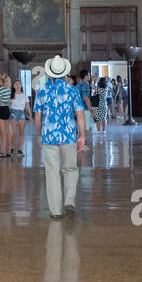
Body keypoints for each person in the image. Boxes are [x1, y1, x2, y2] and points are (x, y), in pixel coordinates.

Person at [32, 55, 87, 220]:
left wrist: (40, 134)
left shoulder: (42, 91)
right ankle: (69, 201)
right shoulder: (73, 91)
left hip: (49, 136)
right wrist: (82, 136)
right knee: (70, 169)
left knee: (52, 172)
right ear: (65, 73)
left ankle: (56, 211)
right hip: (69, 136)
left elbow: (37, 118)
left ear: (50, 73)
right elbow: (80, 114)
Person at [0, 73, 13, 156]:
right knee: (7, 131)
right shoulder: (8, 89)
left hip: (0, 110)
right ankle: (9, 151)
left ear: (1, 80)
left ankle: (3, 151)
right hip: (6, 110)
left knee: (2, 133)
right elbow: (9, 102)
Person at [9, 80, 28, 156]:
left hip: (21, 114)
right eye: (16, 84)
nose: (18, 85)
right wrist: (8, 115)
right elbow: (9, 106)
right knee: (14, 134)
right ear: (13, 86)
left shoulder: (24, 95)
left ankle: (20, 150)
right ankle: (11, 148)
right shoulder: (11, 95)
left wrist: (30, 116)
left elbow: (27, 107)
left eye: (19, 84)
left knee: (21, 133)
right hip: (13, 113)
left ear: (21, 85)